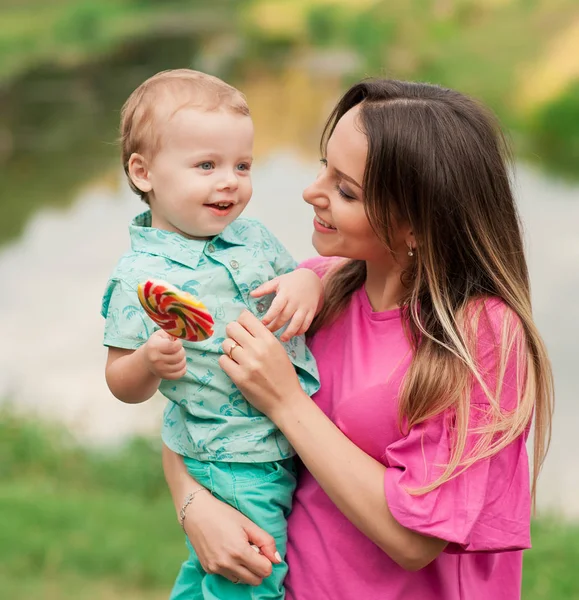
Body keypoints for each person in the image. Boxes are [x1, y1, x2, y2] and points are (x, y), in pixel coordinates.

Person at [162, 78, 554, 599]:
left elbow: (414, 541)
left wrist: (284, 400)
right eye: (324, 166)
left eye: (345, 189)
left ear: (417, 224)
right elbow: (196, 401)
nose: (311, 191)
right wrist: (193, 505)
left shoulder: (482, 335)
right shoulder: (312, 288)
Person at [100, 69, 324, 599]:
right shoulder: (140, 278)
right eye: (206, 165)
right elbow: (119, 381)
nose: (230, 181)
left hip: (286, 440)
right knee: (252, 573)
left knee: (209, 580)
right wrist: (150, 362)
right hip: (230, 456)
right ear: (144, 171)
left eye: (241, 165)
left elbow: (297, 285)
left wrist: (307, 283)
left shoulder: (253, 237)